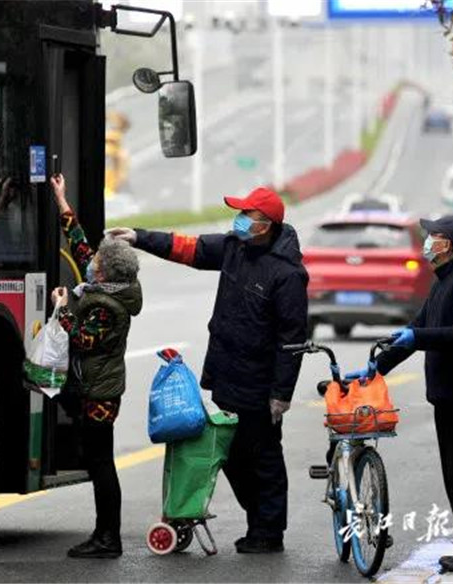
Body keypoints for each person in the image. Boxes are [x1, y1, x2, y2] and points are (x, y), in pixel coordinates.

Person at [109, 186, 309, 553]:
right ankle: (258, 522)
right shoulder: (235, 247)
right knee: (231, 455)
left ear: (265, 225)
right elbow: (189, 248)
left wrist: (281, 394)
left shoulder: (287, 275)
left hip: (260, 384)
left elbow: (292, 340)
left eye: (246, 214)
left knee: (263, 457)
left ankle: (268, 532)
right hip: (227, 375)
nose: (240, 220)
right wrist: (139, 237)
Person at [345, 215, 453, 573]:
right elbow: (416, 330)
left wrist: (420, 337)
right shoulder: (444, 281)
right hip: (449, 395)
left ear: (451, 246)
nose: (428, 240)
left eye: (435, 236)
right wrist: (376, 367)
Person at [49, 173, 142, 559]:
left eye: (97, 263)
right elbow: (81, 245)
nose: (91, 263)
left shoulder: (107, 305)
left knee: (101, 463)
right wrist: (62, 202)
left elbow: (83, 342)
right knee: (96, 458)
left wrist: (62, 310)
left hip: (101, 393)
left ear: (105, 273)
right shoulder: (107, 286)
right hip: (97, 388)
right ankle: (105, 535)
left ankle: (108, 538)